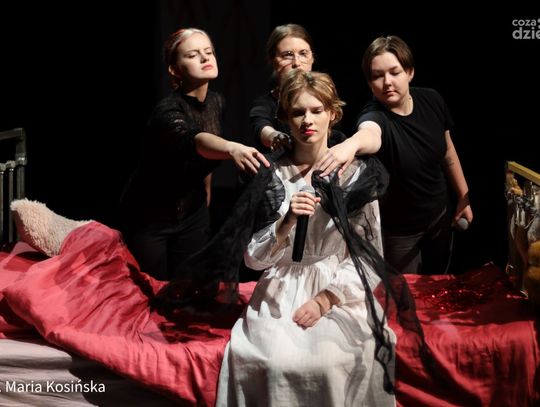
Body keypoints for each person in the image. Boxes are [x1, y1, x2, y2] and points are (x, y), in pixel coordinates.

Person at [216, 69, 398, 406]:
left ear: (333, 114)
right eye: (298, 112)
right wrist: (286, 223)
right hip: (282, 288)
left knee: (332, 362)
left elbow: (369, 257)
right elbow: (253, 260)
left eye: (317, 110)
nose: (308, 121)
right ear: (285, 118)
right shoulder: (271, 175)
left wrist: (325, 300)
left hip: (340, 287)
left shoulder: (357, 175)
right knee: (272, 362)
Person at [119, 27, 269, 281]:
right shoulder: (167, 111)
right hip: (150, 216)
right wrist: (232, 147)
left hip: (193, 212)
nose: (205, 57)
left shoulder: (217, 102)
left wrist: (206, 195)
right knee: (150, 289)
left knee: (188, 288)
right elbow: (196, 141)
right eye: (192, 55)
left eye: (209, 51)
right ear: (174, 70)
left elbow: (204, 158)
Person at [316, 35, 473, 275]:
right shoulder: (374, 115)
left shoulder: (432, 100)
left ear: (410, 72)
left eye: (395, 72)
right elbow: (370, 133)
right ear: (369, 83)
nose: (387, 82)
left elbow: (448, 152)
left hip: (439, 218)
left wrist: (463, 196)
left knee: (439, 286)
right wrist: (352, 144)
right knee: (404, 293)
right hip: (399, 233)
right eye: (377, 76)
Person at [249, 23, 345, 152]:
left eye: (303, 53)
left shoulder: (324, 97)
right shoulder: (265, 104)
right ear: (273, 61)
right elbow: (262, 128)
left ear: (312, 58)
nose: (297, 63)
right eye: (287, 55)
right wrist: (275, 136)